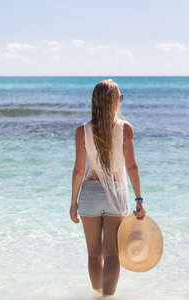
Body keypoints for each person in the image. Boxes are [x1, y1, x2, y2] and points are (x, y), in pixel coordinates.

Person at [69, 79, 146, 296]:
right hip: (116, 193)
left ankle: (96, 294)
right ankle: (107, 297)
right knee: (112, 255)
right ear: (114, 102)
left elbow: (77, 170)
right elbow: (131, 166)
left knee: (94, 255)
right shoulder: (125, 129)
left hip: (90, 195)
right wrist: (139, 199)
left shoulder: (82, 131)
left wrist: (73, 202)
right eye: (120, 98)